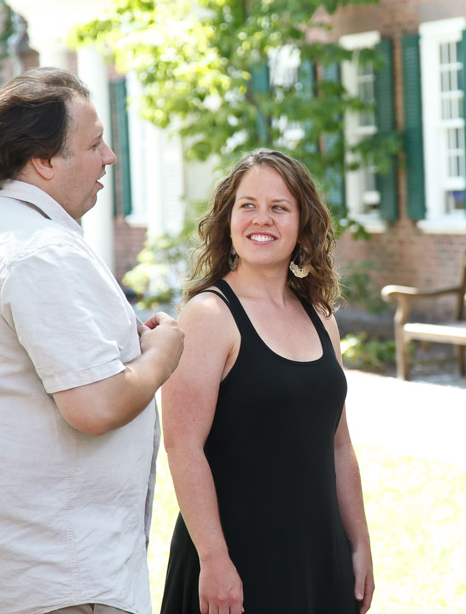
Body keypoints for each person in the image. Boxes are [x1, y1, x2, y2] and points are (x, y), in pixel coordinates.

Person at [0, 67, 185, 614]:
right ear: (43, 160)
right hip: (51, 574)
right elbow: (95, 404)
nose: (109, 156)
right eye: (93, 144)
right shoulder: (39, 248)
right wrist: (161, 354)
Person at [160, 148, 373, 614]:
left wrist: (358, 544)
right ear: (228, 219)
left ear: (302, 224)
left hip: (319, 556)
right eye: (248, 206)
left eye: (279, 208)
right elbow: (182, 447)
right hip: (236, 563)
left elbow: (339, 446)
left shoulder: (321, 317)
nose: (263, 220)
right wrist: (214, 560)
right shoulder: (208, 316)